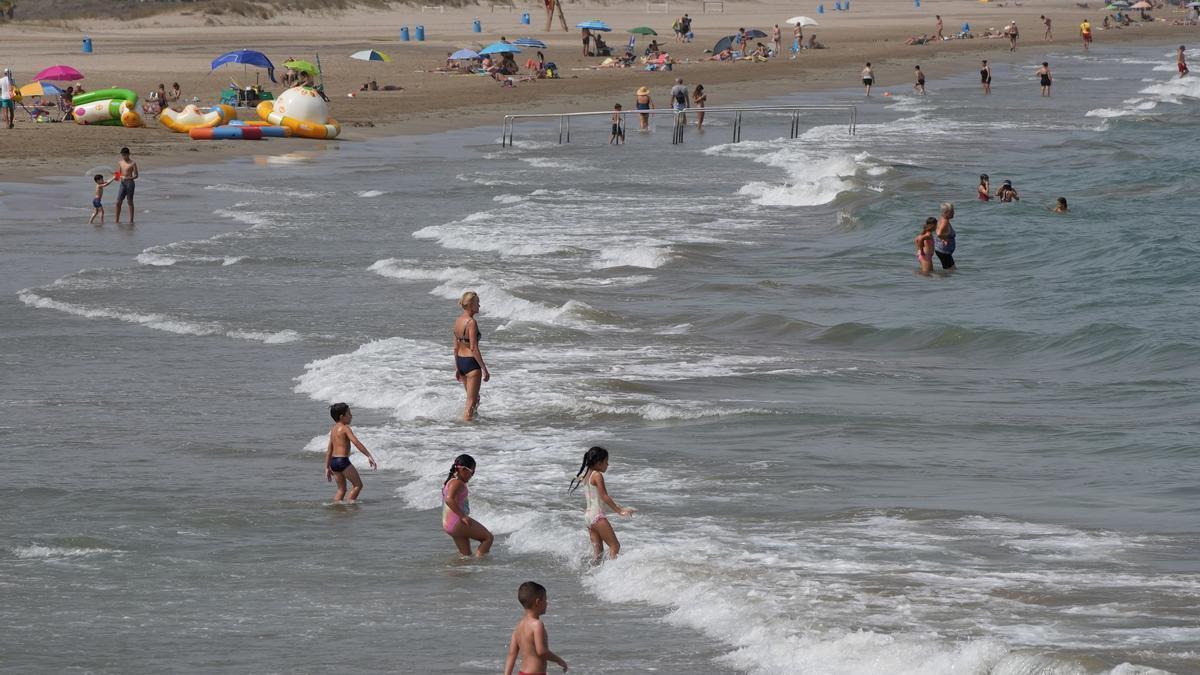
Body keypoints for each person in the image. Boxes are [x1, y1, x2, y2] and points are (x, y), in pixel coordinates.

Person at [568, 446, 635, 562]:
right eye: (606, 462)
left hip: (588, 517)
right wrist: (620, 511)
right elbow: (604, 497)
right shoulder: (597, 475)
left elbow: (595, 499)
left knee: (598, 553)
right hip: (597, 517)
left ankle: (594, 575)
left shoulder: (586, 476)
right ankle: (613, 573)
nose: (607, 465)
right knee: (615, 546)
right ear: (599, 463)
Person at [503, 582, 568, 675]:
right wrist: (559, 660)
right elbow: (542, 651)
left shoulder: (518, 627)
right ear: (538, 602)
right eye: (545, 600)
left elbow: (511, 654)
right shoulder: (537, 624)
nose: (547, 603)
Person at [323, 402, 378, 503]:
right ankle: (350, 504)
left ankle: (336, 507)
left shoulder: (333, 430)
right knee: (358, 485)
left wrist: (327, 467)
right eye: (349, 413)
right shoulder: (345, 428)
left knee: (341, 489)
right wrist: (368, 455)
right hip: (342, 461)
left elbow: (329, 449)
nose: (351, 416)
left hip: (334, 462)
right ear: (342, 416)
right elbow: (356, 442)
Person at [442, 454, 493, 557]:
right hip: (457, 522)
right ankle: (481, 566)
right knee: (488, 538)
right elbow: (449, 499)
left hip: (448, 524)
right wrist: (463, 516)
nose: (472, 475)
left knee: (466, 556)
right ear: (464, 470)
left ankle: (462, 571)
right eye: (472, 472)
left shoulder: (450, 481)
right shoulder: (457, 483)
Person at [453, 291, 489, 422]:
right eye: (477, 303)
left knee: (474, 398)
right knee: (471, 400)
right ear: (471, 305)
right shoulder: (471, 322)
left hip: (462, 362)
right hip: (471, 364)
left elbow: (455, 347)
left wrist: (457, 368)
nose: (479, 305)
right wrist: (484, 368)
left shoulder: (458, 321)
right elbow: (473, 348)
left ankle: (472, 421)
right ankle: (467, 428)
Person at [114, 147, 139, 225]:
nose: (124, 156)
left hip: (130, 184)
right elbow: (118, 173)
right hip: (122, 184)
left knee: (130, 202)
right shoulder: (120, 162)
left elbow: (136, 175)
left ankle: (131, 221)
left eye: (125, 155)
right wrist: (115, 177)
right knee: (118, 202)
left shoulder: (133, 163)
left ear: (128, 154)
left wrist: (128, 178)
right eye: (122, 155)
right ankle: (117, 220)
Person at [934, 202, 957, 271]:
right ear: (946, 212)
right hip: (943, 251)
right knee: (950, 271)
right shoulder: (945, 221)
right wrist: (945, 238)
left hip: (942, 250)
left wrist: (944, 237)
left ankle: (943, 280)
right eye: (952, 211)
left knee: (951, 270)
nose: (954, 213)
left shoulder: (942, 219)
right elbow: (938, 233)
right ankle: (941, 280)